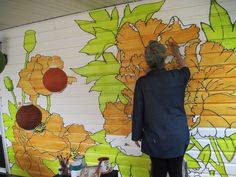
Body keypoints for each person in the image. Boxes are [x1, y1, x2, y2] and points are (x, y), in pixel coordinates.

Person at [132, 40, 190, 177]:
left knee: (158, 172)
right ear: (164, 58)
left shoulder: (142, 83)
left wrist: (136, 135)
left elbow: (138, 111)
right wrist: (176, 51)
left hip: (155, 139)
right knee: (176, 172)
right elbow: (186, 70)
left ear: (147, 60)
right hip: (178, 136)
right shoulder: (177, 77)